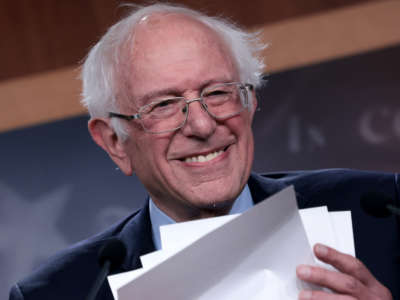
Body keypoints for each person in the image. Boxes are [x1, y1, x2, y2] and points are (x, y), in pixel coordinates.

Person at [10, 3, 398, 300]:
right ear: (114, 142)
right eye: (163, 105)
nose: (202, 125)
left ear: (249, 103)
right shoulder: (60, 292)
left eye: (217, 93)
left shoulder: (381, 214)